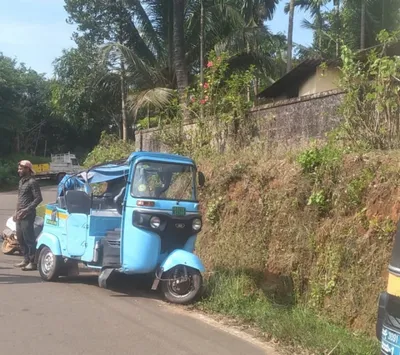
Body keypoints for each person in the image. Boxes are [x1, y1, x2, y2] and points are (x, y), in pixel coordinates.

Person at [13, 160, 43, 271]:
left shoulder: (32, 182)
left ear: (27, 169)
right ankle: (25, 259)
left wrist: (26, 210)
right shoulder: (21, 181)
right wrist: (16, 212)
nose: (19, 171)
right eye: (19, 168)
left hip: (28, 214)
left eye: (21, 169)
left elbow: (38, 198)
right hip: (19, 213)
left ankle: (33, 262)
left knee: (29, 238)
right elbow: (20, 198)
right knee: (20, 238)